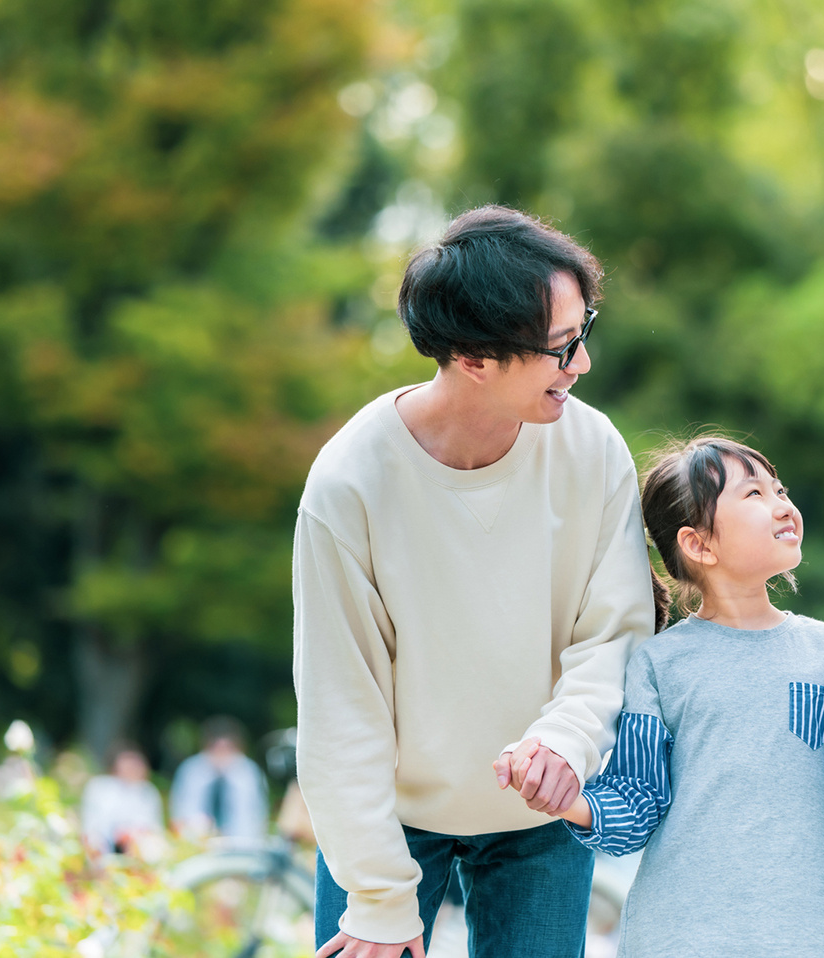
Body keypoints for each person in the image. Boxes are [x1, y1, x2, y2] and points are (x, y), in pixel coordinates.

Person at [292, 205, 656, 958]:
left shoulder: (592, 449)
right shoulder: (349, 482)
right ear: (473, 357)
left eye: (583, 331)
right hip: (388, 821)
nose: (582, 364)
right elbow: (340, 704)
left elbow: (613, 632)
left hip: (543, 816)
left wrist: (566, 741)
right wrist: (379, 898)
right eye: (561, 346)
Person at [509, 436, 824, 956]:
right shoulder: (658, 663)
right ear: (699, 544)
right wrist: (566, 800)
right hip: (680, 937)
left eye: (779, 489)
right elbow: (637, 803)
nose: (782, 505)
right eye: (754, 495)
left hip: (811, 936)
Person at [169, 716, 269, 841]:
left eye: (227, 748)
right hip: (196, 842)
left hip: (242, 842)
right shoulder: (190, 770)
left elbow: (260, 811)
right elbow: (179, 807)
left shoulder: (250, 772)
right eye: (216, 748)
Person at [81, 741, 164, 855]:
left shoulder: (148, 792)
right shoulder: (99, 787)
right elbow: (92, 826)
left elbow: (154, 829)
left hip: (138, 849)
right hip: (103, 847)